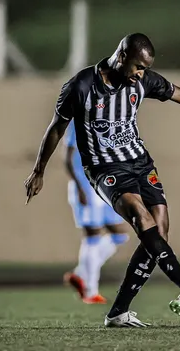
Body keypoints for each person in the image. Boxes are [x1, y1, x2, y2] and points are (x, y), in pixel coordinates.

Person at [24, 33, 180, 328]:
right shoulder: (80, 86)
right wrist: (38, 170)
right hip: (104, 167)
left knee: (159, 230)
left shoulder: (142, 81)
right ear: (121, 57)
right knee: (139, 215)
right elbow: (56, 129)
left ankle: (118, 312)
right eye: (137, 67)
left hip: (140, 162)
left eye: (145, 69)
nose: (141, 75)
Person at [62, 121, 129, 304]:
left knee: (120, 235)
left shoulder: (110, 119)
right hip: (85, 185)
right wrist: (79, 187)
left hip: (105, 186)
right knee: (92, 235)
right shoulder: (79, 122)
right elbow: (67, 159)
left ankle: (80, 274)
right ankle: (90, 291)